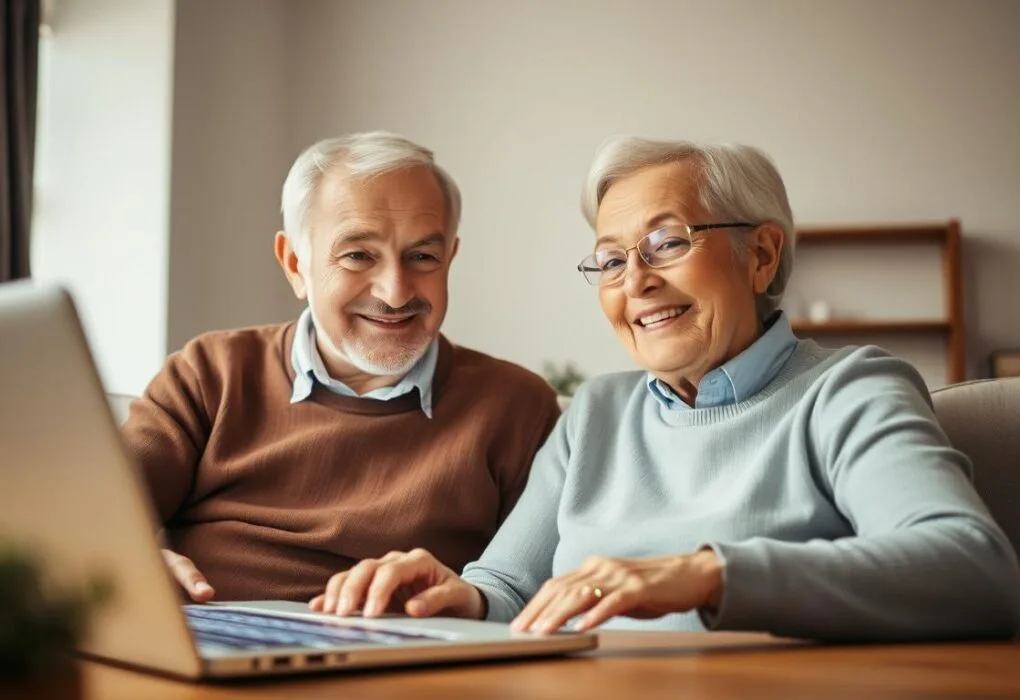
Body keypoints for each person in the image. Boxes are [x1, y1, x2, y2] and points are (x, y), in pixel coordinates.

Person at [308, 137, 1020, 641]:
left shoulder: (850, 390)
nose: (636, 282)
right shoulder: (598, 412)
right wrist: (450, 594)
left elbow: (973, 567)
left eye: (667, 244)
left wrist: (707, 575)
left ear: (762, 256)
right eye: (611, 260)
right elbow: (509, 590)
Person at [122, 131, 560, 603]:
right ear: (295, 263)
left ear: (450, 258)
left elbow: (526, 588)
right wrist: (125, 561)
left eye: (422, 257)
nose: (395, 292)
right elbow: (89, 517)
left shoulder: (517, 407)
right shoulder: (209, 375)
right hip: (208, 642)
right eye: (358, 255)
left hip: (393, 659)